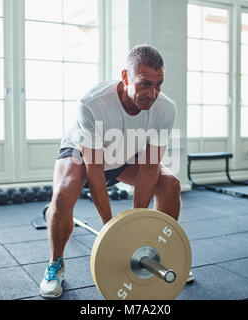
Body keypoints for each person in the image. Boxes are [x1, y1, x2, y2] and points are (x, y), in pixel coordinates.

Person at [39, 44, 191, 299]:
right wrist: (113, 233)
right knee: (63, 195)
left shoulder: (166, 108)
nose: (152, 93)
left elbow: (150, 167)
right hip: (83, 155)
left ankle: (155, 250)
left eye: (158, 85)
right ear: (125, 77)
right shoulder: (93, 103)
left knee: (170, 184)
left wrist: (135, 235)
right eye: (144, 84)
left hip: (125, 155)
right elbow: (95, 173)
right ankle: (55, 265)